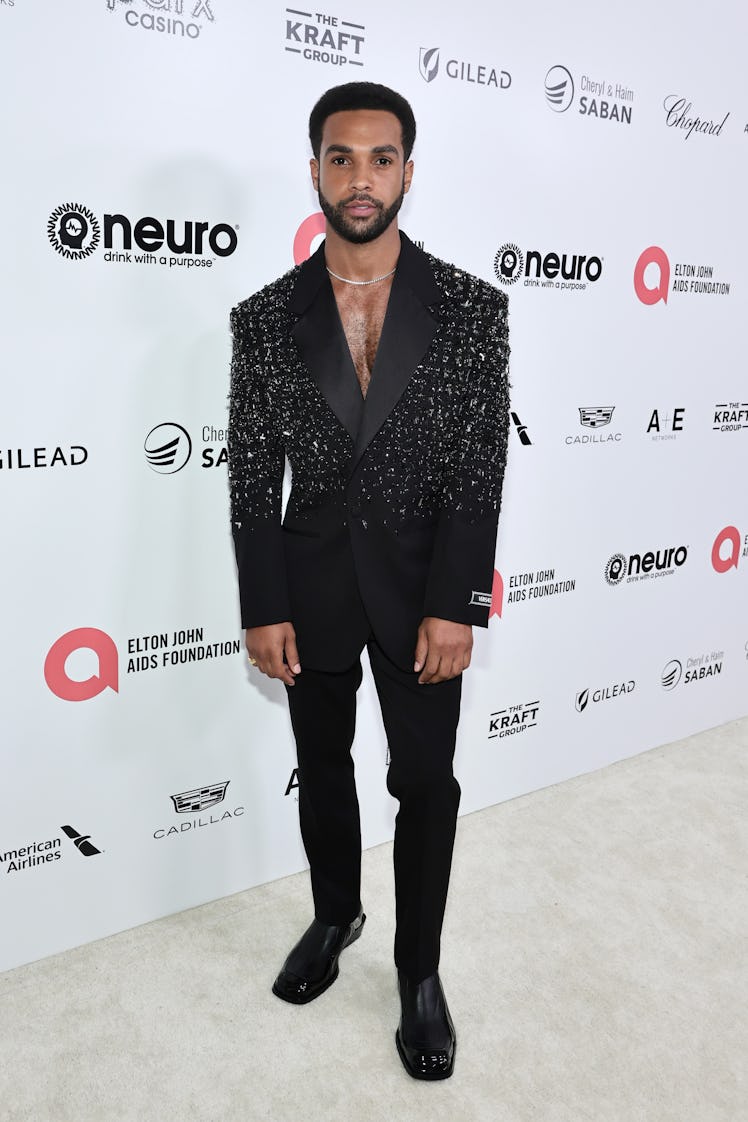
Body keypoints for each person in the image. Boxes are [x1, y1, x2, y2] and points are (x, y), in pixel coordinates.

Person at [227, 81, 510, 1081]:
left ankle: (418, 972)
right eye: (340, 158)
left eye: (379, 158)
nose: (360, 178)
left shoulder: (473, 309)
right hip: (309, 593)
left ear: (407, 171)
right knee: (326, 769)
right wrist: (262, 604)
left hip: (422, 590)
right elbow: (253, 475)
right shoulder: (263, 319)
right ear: (314, 169)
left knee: (423, 783)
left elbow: (480, 466)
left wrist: (456, 603)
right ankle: (335, 913)